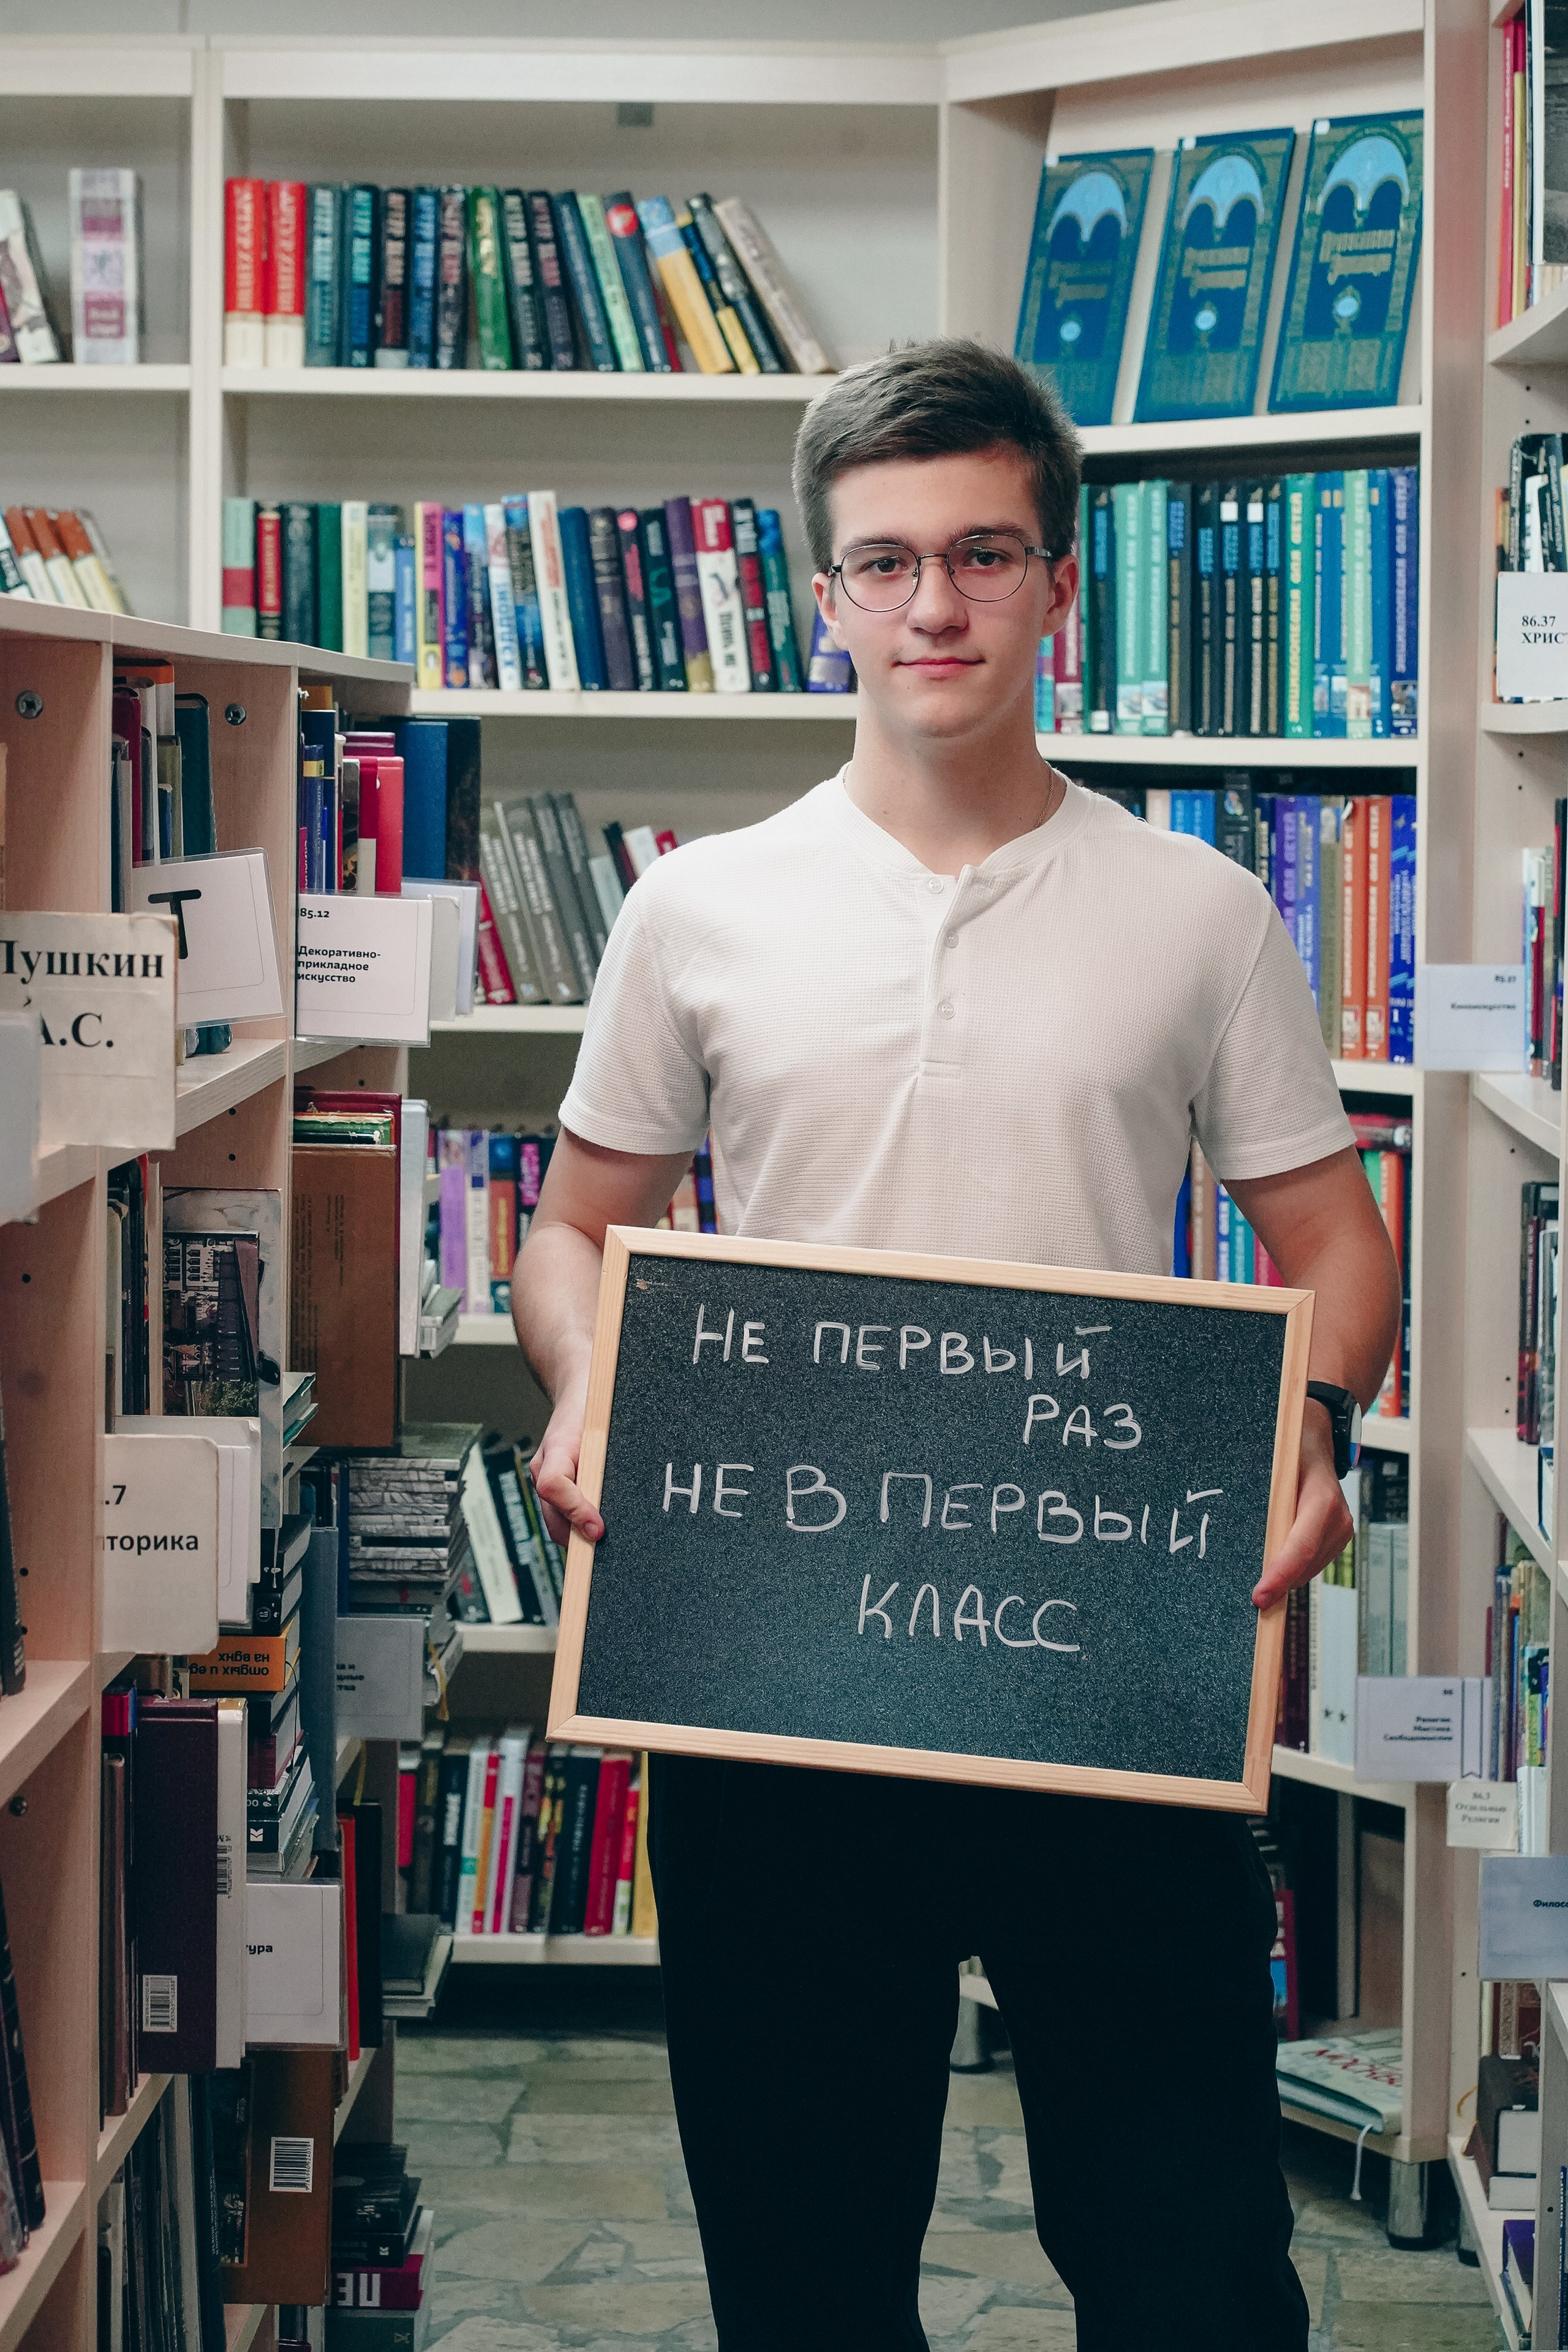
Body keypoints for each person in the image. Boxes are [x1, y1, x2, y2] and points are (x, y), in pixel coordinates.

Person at [512, 339, 1401, 2352]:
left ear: (1062, 585)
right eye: (888, 562)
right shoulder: (699, 911)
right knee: (805, 2272)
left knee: (1190, 2269)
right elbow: (577, 1227)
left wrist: (1318, 1423)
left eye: (987, 556)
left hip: (1123, 1673)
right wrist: (589, 1385)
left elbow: (1337, 1244)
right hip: (774, 1678)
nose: (937, 606)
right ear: (821, 593)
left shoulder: (1198, 911)